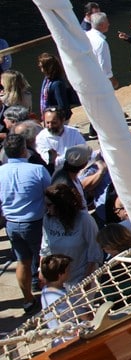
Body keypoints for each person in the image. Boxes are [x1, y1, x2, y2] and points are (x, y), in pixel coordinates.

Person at [0, 133, 51, 314]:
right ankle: (49, 296)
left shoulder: (1, 172)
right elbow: (50, 194)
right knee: (44, 259)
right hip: (36, 223)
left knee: (22, 261)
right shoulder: (37, 170)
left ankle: (28, 298)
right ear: (24, 150)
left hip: (12, 224)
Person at [41, 183, 103, 288]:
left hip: (80, 278)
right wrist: (42, 273)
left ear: (61, 205)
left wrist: (86, 281)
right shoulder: (48, 219)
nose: (46, 208)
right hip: (56, 280)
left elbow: (95, 252)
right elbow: (45, 248)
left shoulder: (85, 220)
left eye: (49, 205)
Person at [36, 107, 87, 172]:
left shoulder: (74, 132)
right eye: (47, 123)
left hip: (77, 170)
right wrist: (72, 156)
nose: (50, 126)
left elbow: (84, 152)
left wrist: (60, 158)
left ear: (63, 120)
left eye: (54, 123)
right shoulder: (41, 138)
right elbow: (50, 161)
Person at [37, 52, 74, 119]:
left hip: (58, 119)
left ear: (48, 67)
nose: (41, 70)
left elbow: (62, 106)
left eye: (42, 67)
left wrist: (59, 120)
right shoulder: (47, 81)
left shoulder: (57, 84)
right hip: (50, 116)